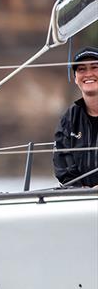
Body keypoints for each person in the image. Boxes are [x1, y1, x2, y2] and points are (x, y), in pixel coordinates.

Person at [53, 46, 98, 188]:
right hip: (80, 200)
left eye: (95, 67)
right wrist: (80, 190)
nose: (88, 74)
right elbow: (63, 166)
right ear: (75, 78)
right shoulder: (70, 118)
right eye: (81, 69)